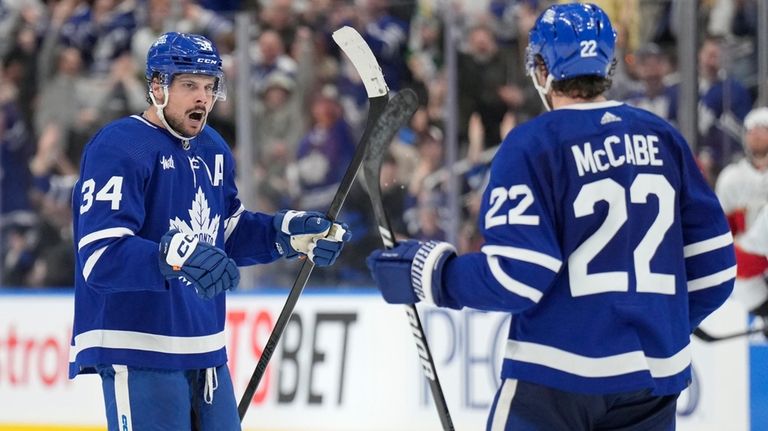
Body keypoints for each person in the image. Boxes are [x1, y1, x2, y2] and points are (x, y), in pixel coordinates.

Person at [367, 4, 736, 431]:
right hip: (653, 382)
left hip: (557, 378)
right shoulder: (662, 136)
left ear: (541, 67)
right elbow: (715, 270)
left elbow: (517, 276)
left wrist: (429, 273)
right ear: (608, 64)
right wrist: (656, 322)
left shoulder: (534, 143)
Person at [68, 32, 351, 431]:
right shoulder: (120, 146)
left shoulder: (214, 148)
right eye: (188, 86)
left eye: (208, 86)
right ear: (157, 87)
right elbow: (100, 257)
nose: (202, 97)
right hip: (138, 347)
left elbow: (226, 232)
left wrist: (285, 233)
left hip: (206, 351)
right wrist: (174, 254)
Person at [715, 107, 768, 314]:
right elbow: (722, 231)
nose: (755, 133)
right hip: (749, 266)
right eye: (750, 129)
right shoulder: (732, 178)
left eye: (762, 128)